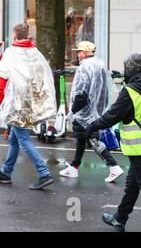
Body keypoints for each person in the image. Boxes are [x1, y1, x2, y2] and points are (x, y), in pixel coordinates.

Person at [85, 53, 141, 232]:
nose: (124, 70)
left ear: (131, 69)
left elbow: (111, 116)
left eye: (126, 67)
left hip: (139, 148)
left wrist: (91, 127)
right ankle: (120, 218)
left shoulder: (129, 91)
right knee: (133, 184)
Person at [0, 23, 56, 190]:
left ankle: (43, 172)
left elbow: (2, 80)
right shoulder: (36, 53)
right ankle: (6, 172)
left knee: (22, 138)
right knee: (14, 138)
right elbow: (44, 78)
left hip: (15, 105)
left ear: (15, 37)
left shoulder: (10, 54)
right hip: (29, 103)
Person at [59, 41, 124, 183]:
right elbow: (106, 89)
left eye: (78, 51)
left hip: (84, 112)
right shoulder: (100, 65)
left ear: (83, 52)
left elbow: (81, 93)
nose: (77, 54)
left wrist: (74, 110)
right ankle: (74, 167)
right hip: (96, 110)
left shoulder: (84, 68)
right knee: (82, 138)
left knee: (93, 139)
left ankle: (113, 166)